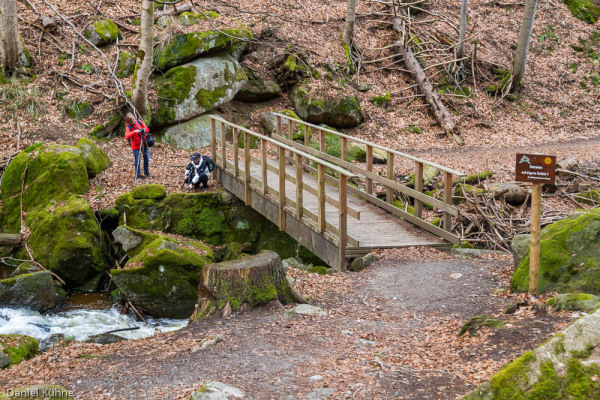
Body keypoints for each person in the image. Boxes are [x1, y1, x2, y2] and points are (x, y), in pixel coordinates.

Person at [124, 112, 151, 180]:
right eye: (132, 120)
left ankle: (146, 172)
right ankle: (138, 174)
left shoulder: (139, 121)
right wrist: (134, 132)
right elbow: (126, 136)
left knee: (146, 158)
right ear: (129, 121)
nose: (134, 121)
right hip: (136, 146)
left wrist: (142, 130)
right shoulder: (128, 126)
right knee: (137, 160)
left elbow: (147, 129)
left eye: (134, 119)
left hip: (144, 143)